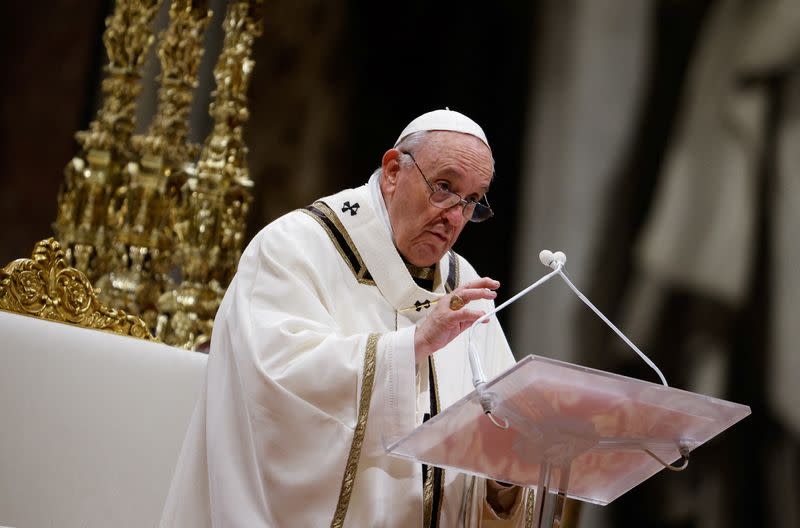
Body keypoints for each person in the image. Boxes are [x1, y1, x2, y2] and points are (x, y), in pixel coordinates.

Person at [160, 109, 533, 527]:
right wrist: (411, 346)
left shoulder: (465, 289)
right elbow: (272, 390)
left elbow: (503, 425)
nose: (454, 217)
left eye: (470, 202)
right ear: (393, 171)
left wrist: (505, 477)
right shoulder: (294, 248)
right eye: (443, 188)